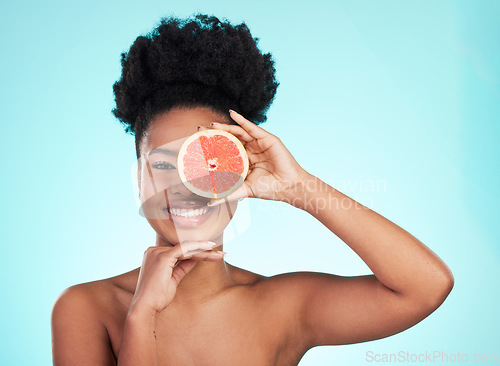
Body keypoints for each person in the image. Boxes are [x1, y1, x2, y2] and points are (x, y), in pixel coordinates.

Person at [51, 13, 454, 366]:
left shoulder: (282, 307)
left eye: (205, 160)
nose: (183, 187)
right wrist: (141, 316)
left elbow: (425, 288)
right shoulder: (86, 308)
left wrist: (300, 187)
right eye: (160, 165)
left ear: (238, 168)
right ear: (138, 179)